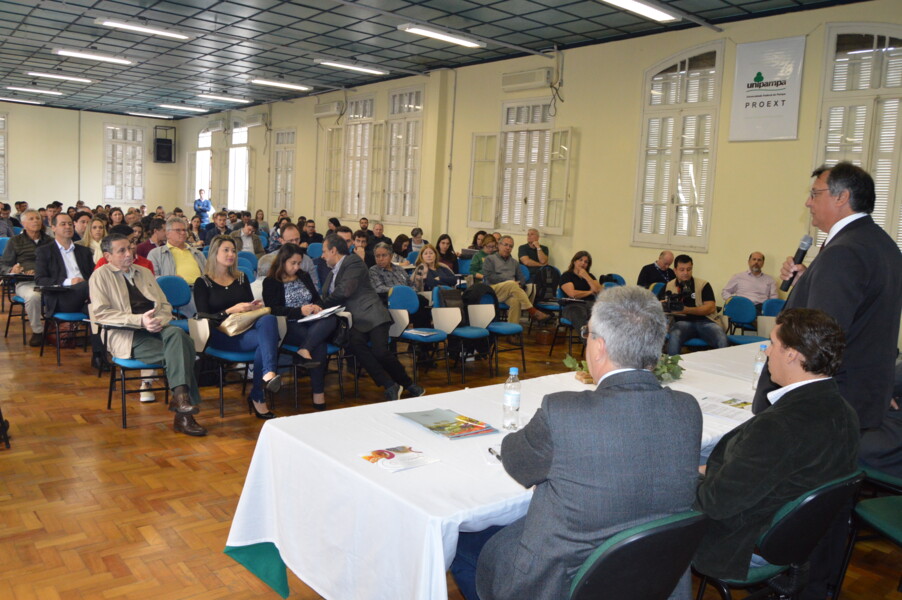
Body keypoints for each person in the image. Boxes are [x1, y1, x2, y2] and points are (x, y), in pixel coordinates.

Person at [450, 286, 702, 600]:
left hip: (560, 584)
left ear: (599, 347)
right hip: (650, 578)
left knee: (461, 539)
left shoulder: (564, 411)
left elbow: (517, 464)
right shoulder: (688, 409)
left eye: (587, 334)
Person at [694, 308, 859, 581]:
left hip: (746, 544)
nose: (767, 352)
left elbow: (716, 504)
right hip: (798, 535)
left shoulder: (779, 426)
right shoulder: (844, 410)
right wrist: (707, 470)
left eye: (772, 343)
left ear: (792, 354)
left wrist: (682, 480)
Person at [754, 162, 902, 431]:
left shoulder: (842, 253)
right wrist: (809, 281)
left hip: (831, 405)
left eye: (815, 194)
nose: (808, 203)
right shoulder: (883, 245)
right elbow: (864, 312)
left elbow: (820, 339)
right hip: (865, 395)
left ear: (841, 197)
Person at [90, 233, 207, 436]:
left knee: (180, 336)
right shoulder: (99, 276)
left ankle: (181, 403)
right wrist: (139, 321)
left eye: (130, 247)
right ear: (108, 256)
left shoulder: (144, 272)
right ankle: (184, 415)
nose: (129, 253)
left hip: (157, 329)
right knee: (185, 348)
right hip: (128, 335)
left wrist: (156, 321)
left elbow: (164, 305)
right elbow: (102, 314)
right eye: (122, 250)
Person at [318, 233, 424, 402]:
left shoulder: (353, 262)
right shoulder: (331, 274)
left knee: (380, 352)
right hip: (354, 321)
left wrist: (321, 306)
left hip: (372, 315)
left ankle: (409, 384)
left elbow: (345, 290)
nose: (322, 255)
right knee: (355, 346)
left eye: (324, 251)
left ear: (333, 250)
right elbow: (324, 295)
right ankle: (389, 384)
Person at [194, 236, 283, 419]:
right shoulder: (203, 282)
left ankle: (267, 375)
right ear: (214, 253)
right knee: (265, 341)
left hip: (245, 328)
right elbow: (203, 318)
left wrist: (252, 307)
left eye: (233, 251)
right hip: (221, 334)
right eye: (226, 250)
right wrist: (230, 310)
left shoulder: (241, 278)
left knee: (268, 320)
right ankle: (259, 393)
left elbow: (248, 308)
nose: (231, 254)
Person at [262, 243, 335, 410]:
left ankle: (304, 349)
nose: (297, 267)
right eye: (293, 263)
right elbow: (273, 309)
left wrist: (317, 307)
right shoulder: (271, 281)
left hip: (312, 321)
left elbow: (317, 298)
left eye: (299, 263)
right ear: (283, 261)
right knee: (319, 343)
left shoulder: (303, 275)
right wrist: (299, 311)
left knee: (331, 319)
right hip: (289, 324)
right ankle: (318, 394)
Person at [0, 209, 54, 345]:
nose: (36, 221)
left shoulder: (50, 241)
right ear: (23, 223)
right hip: (25, 282)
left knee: (66, 291)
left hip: (48, 281)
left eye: (37, 218)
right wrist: (12, 269)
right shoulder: (15, 241)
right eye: (31, 219)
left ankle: (57, 329)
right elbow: (3, 264)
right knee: (33, 296)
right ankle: (37, 332)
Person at [663, 254, 727, 355]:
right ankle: (672, 366)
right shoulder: (669, 286)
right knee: (675, 335)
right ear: (675, 270)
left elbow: (710, 308)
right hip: (682, 323)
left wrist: (686, 310)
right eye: (682, 269)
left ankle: (723, 367)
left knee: (721, 337)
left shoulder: (703, 284)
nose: (686, 273)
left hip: (706, 322)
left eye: (689, 269)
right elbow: (659, 304)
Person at [35, 212, 95, 319]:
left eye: (70, 224)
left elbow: (94, 274)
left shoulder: (84, 251)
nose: (68, 227)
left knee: (96, 310)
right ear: (53, 228)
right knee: (88, 286)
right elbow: (40, 280)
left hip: (87, 296)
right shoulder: (44, 251)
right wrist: (69, 281)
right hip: (62, 297)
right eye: (63, 224)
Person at [483, 235, 550, 324]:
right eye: (505, 245)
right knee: (511, 283)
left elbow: (521, 279)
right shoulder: (490, 259)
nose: (508, 248)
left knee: (516, 301)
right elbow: (489, 276)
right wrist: (509, 282)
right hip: (494, 290)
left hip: (510, 291)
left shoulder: (514, 263)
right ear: (499, 245)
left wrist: (520, 284)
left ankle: (511, 333)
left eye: (510, 246)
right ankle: (532, 311)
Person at [148, 217, 206, 285]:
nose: (183, 233)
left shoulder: (197, 253)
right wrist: (170, 279)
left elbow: (209, 274)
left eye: (184, 230)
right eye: (178, 230)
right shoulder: (156, 254)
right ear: (167, 233)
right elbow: (151, 277)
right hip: (174, 290)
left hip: (199, 290)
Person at [258, 224, 319, 289]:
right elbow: (261, 286)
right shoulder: (268, 260)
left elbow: (314, 285)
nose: (295, 243)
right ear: (281, 241)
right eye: (290, 241)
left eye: (297, 239)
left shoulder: (307, 261)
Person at [559, 251, 603, 332]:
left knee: (604, 313)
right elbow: (572, 294)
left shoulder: (590, 276)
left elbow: (599, 291)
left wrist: (587, 277)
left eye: (586, 262)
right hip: (573, 305)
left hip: (590, 304)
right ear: (574, 261)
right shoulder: (566, 276)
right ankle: (587, 341)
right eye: (580, 260)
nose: (583, 263)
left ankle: (606, 342)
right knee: (579, 314)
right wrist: (590, 292)